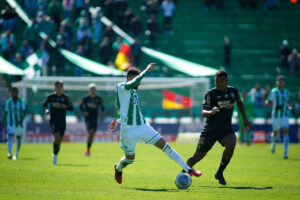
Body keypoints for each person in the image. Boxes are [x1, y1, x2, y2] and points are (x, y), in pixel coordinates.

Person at [108, 63, 202, 184]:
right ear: (131, 78)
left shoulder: (133, 91)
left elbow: (118, 107)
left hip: (143, 126)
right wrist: (146, 70)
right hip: (128, 131)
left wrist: (115, 120)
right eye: (138, 81)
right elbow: (123, 97)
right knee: (130, 159)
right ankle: (118, 169)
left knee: (165, 145)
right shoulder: (122, 87)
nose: (140, 84)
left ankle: (188, 169)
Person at [186, 70, 251, 185]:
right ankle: (183, 171)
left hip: (225, 129)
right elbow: (203, 112)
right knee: (198, 156)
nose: (219, 84)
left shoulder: (233, 91)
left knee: (231, 144)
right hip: (210, 130)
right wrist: (211, 111)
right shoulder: (210, 94)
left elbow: (239, 103)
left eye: (222, 81)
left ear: (227, 81)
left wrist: (245, 119)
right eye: (217, 81)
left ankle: (220, 172)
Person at [43, 81, 74, 165]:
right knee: (57, 137)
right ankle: (54, 156)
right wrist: (46, 109)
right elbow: (44, 105)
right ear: (54, 88)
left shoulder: (66, 97)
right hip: (53, 121)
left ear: (63, 88)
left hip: (62, 122)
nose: (59, 88)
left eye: (60, 87)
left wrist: (66, 107)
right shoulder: (51, 97)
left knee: (59, 140)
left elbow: (72, 108)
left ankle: (55, 154)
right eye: (57, 87)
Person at [265, 76, 292, 159]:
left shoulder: (287, 92)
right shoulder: (273, 92)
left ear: (284, 82)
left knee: (286, 132)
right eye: (279, 81)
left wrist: (290, 108)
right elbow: (267, 102)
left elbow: (288, 102)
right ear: (276, 82)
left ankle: (285, 153)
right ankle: (273, 143)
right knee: (275, 133)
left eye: (282, 81)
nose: (280, 83)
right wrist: (274, 107)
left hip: (285, 115)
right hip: (276, 116)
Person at [80, 84, 105, 156]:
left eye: (94, 89)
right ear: (89, 90)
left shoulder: (99, 98)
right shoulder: (86, 98)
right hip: (88, 118)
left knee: (92, 135)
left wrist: (101, 111)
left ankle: (88, 149)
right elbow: (81, 107)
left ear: (95, 90)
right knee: (90, 132)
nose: (92, 90)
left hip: (95, 118)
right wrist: (84, 111)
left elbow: (102, 107)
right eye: (91, 89)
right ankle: (88, 150)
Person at [3, 87, 26, 160]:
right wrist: (4, 123)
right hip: (11, 123)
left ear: (18, 93)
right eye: (13, 92)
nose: (14, 93)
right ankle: (9, 153)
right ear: (11, 93)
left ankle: (16, 154)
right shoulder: (8, 102)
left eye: (15, 92)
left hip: (19, 123)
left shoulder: (21, 102)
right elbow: (6, 113)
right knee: (10, 136)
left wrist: (21, 119)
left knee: (18, 138)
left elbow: (24, 112)